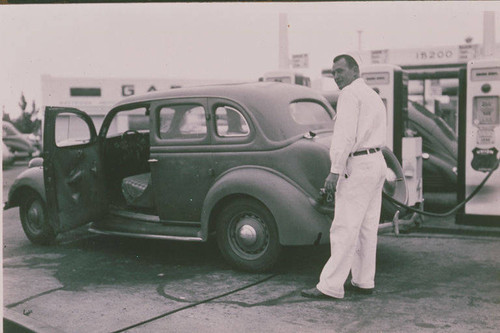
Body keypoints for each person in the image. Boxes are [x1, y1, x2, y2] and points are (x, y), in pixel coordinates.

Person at [302, 54, 387, 299]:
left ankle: (330, 286)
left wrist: (334, 171)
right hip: (376, 161)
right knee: (367, 227)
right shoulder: (372, 96)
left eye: (340, 71)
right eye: (333, 72)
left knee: (344, 227)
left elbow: (345, 137)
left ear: (354, 71)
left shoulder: (349, 94)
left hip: (358, 164)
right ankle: (363, 281)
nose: (336, 77)